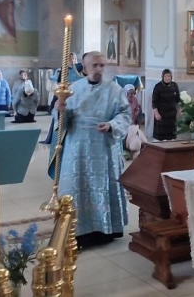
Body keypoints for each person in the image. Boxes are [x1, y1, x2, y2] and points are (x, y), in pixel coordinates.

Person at [53, 51, 130, 249]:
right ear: (85, 67)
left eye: (102, 65)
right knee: (77, 187)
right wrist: (60, 110)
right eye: (94, 65)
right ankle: (77, 232)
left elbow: (125, 114)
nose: (99, 69)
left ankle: (105, 230)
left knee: (103, 187)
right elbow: (63, 122)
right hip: (78, 146)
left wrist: (112, 125)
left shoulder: (114, 89)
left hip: (104, 146)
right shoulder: (73, 89)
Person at [41, 53, 85, 145]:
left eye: (74, 58)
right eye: (70, 59)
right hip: (65, 96)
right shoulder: (64, 69)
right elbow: (59, 82)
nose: (72, 60)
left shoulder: (80, 69)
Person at [151, 69, 181, 141]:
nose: (167, 78)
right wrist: (156, 113)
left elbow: (177, 99)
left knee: (171, 136)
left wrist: (180, 109)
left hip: (172, 114)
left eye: (169, 76)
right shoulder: (158, 86)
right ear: (162, 77)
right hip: (161, 113)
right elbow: (154, 101)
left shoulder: (174, 85)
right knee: (160, 136)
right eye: (165, 76)